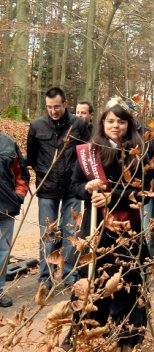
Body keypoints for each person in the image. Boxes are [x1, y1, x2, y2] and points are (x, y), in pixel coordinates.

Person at [71, 97, 151, 352]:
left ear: (129, 124)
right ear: (102, 122)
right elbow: (74, 185)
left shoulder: (139, 152)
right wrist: (87, 189)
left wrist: (112, 195)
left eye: (121, 121)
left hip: (128, 229)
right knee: (92, 282)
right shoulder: (90, 152)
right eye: (110, 121)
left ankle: (123, 338)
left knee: (126, 284)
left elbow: (145, 194)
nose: (115, 125)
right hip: (96, 229)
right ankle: (87, 336)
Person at [27, 87, 91, 289]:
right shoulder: (37, 125)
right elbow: (32, 156)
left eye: (56, 107)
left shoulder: (79, 125)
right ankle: (45, 277)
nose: (53, 111)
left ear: (65, 104)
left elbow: (87, 152)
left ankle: (69, 275)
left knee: (70, 232)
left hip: (73, 188)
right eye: (49, 107)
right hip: (47, 188)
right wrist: (43, 173)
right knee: (48, 233)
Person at [0, 132, 30, 307]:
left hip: (5, 209)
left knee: (3, 253)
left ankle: (0, 290)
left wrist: (17, 197)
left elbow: (22, 175)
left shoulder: (8, 144)